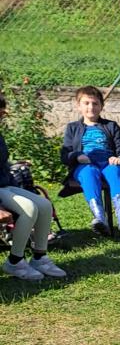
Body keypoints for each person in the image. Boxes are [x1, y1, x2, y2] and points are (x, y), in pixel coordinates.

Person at [0, 95, 66, 282]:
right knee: (29, 209)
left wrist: (14, 169)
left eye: (2, 114)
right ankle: (15, 262)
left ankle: (39, 257)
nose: (2, 117)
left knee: (44, 205)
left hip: (5, 184)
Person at [60, 86, 120, 236]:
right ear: (78, 105)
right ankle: (100, 217)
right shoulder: (72, 128)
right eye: (86, 103)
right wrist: (78, 157)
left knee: (114, 170)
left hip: (108, 163)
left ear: (101, 106)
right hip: (85, 164)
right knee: (88, 173)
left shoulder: (110, 126)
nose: (91, 107)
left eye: (95, 103)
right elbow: (66, 154)